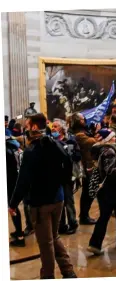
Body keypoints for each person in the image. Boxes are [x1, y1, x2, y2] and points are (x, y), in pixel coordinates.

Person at [8, 113, 77, 279]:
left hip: (41, 203)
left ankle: (47, 276)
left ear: (33, 127)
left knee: (46, 244)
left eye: (27, 125)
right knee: (54, 237)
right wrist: (62, 182)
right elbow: (69, 163)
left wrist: (13, 203)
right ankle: (68, 272)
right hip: (58, 198)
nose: (25, 128)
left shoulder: (31, 151)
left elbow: (23, 180)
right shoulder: (57, 144)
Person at [87, 129, 116, 255]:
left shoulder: (99, 150)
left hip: (104, 189)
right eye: (112, 137)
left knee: (107, 215)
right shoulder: (109, 151)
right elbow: (110, 172)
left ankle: (95, 244)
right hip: (112, 189)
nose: (115, 139)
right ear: (107, 139)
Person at [51, 119, 80, 235]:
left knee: (68, 201)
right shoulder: (51, 141)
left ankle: (73, 223)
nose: (53, 128)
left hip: (67, 175)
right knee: (59, 201)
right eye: (52, 126)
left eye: (56, 126)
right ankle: (61, 225)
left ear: (62, 129)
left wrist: (68, 154)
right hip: (55, 176)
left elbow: (77, 156)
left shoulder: (71, 141)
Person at [70, 113, 97, 225]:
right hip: (87, 166)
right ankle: (84, 216)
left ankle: (84, 215)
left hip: (89, 164)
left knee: (88, 191)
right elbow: (93, 142)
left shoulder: (83, 132)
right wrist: (97, 135)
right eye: (82, 118)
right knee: (89, 191)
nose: (85, 119)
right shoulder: (79, 134)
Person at [6, 130, 25, 247]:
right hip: (15, 180)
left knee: (12, 208)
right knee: (14, 207)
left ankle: (20, 236)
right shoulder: (12, 145)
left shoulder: (6, 149)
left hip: (10, 181)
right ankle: (19, 232)